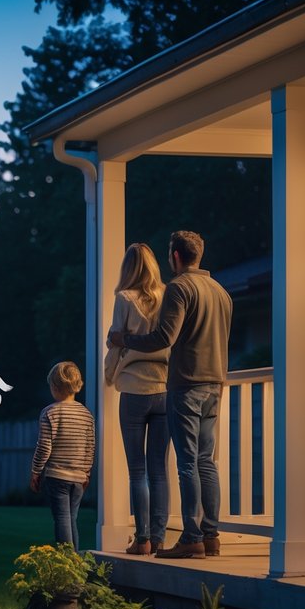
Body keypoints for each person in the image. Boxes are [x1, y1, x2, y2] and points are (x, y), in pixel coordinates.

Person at [109, 230, 232, 560]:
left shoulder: (180, 287)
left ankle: (188, 537)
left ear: (176, 256)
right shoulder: (221, 291)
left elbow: (164, 336)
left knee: (184, 465)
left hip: (182, 384)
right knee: (204, 462)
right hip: (213, 383)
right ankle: (210, 536)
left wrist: (123, 340)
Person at [104, 243, 170, 556]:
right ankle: (159, 538)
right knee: (160, 470)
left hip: (133, 388)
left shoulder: (124, 299)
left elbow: (116, 342)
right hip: (165, 388)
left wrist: (108, 372)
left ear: (127, 269)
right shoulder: (168, 295)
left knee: (138, 470)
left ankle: (141, 539)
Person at [30, 361, 96, 550]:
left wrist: (35, 471)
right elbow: (90, 446)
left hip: (57, 475)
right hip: (79, 477)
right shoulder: (86, 414)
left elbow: (44, 447)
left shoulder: (49, 412)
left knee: (62, 519)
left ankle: (67, 565)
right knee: (71, 519)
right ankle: (76, 566)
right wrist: (87, 472)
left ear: (56, 386)